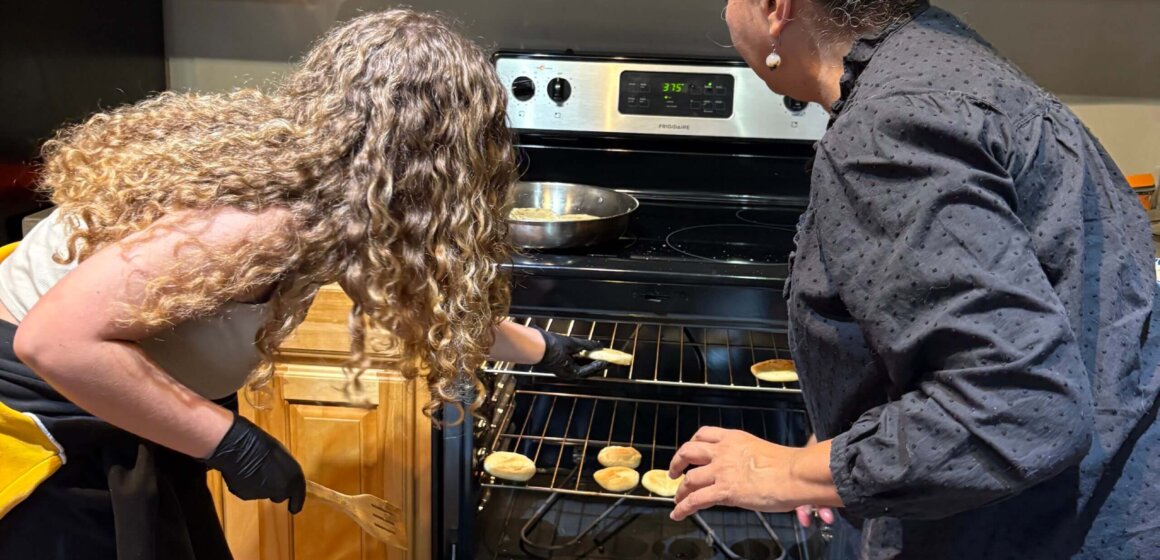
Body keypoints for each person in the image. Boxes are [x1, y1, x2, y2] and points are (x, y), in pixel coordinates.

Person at [0, 10, 606, 560]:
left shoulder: (338, 189)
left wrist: (540, 349)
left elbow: (404, 295)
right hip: (53, 422)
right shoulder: (259, 223)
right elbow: (53, 343)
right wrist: (229, 441)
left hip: (123, 408)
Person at [668, 1, 1160, 558]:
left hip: (1034, 533)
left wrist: (790, 471)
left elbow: (1017, 410)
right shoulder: (942, 58)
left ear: (777, 7)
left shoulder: (892, 126)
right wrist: (854, 435)